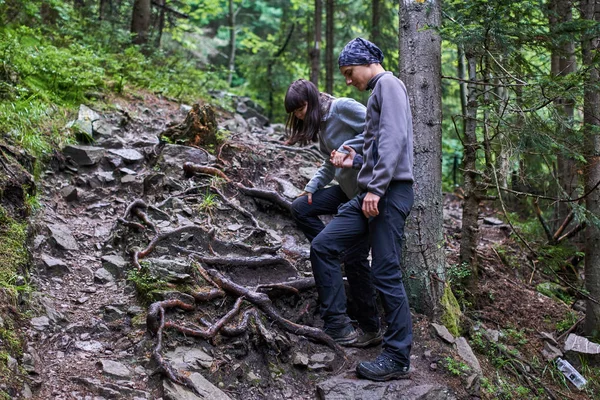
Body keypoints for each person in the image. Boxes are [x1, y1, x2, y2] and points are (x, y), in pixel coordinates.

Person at [312, 37, 415, 381]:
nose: (347, 80)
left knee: (386, 272)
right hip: (375, 191)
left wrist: (375, 187)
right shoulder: (377, 92)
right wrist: (355, 159)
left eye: (349, 71)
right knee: (325, 245)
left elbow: (394, 138)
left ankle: (398, 357)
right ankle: (346, 326)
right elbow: (377, 145)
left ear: (366, 62)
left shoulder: (389, 84)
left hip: (388, 192)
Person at [284, 79, 381, 347]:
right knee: (301, 207)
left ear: (312, 101)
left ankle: (352, 324)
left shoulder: (342, 108)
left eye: (301, 108)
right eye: (294, 112)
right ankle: (334, 256)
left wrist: (350, 148)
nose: (298, 115)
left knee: (352, 256)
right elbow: (330, 165)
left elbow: (381, 130)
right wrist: (310, 188)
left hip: (370, 192)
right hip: (347, 189)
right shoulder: (322, 124)